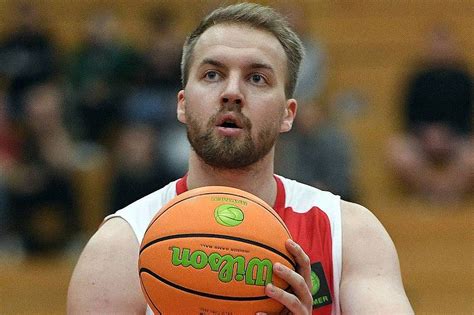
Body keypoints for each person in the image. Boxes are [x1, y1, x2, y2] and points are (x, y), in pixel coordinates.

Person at [68, 3, 413, 314]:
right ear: (183, 104)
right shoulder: (120, 246)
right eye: (212, 74)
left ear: (287, 114)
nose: (232, 92)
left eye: (257, 78)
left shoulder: (350, 234)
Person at [387, 25, 473, 202]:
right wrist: (426, 134)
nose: (440, 48)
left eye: (444, 43)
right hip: (421, 139)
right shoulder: (417, 79)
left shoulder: (464, 79)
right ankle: (431, 191)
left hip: (457, 139)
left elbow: (468, 117)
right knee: (397, 150)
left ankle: (449, 193)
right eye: (436, 43)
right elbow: (408, 116)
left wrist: (449, 136)